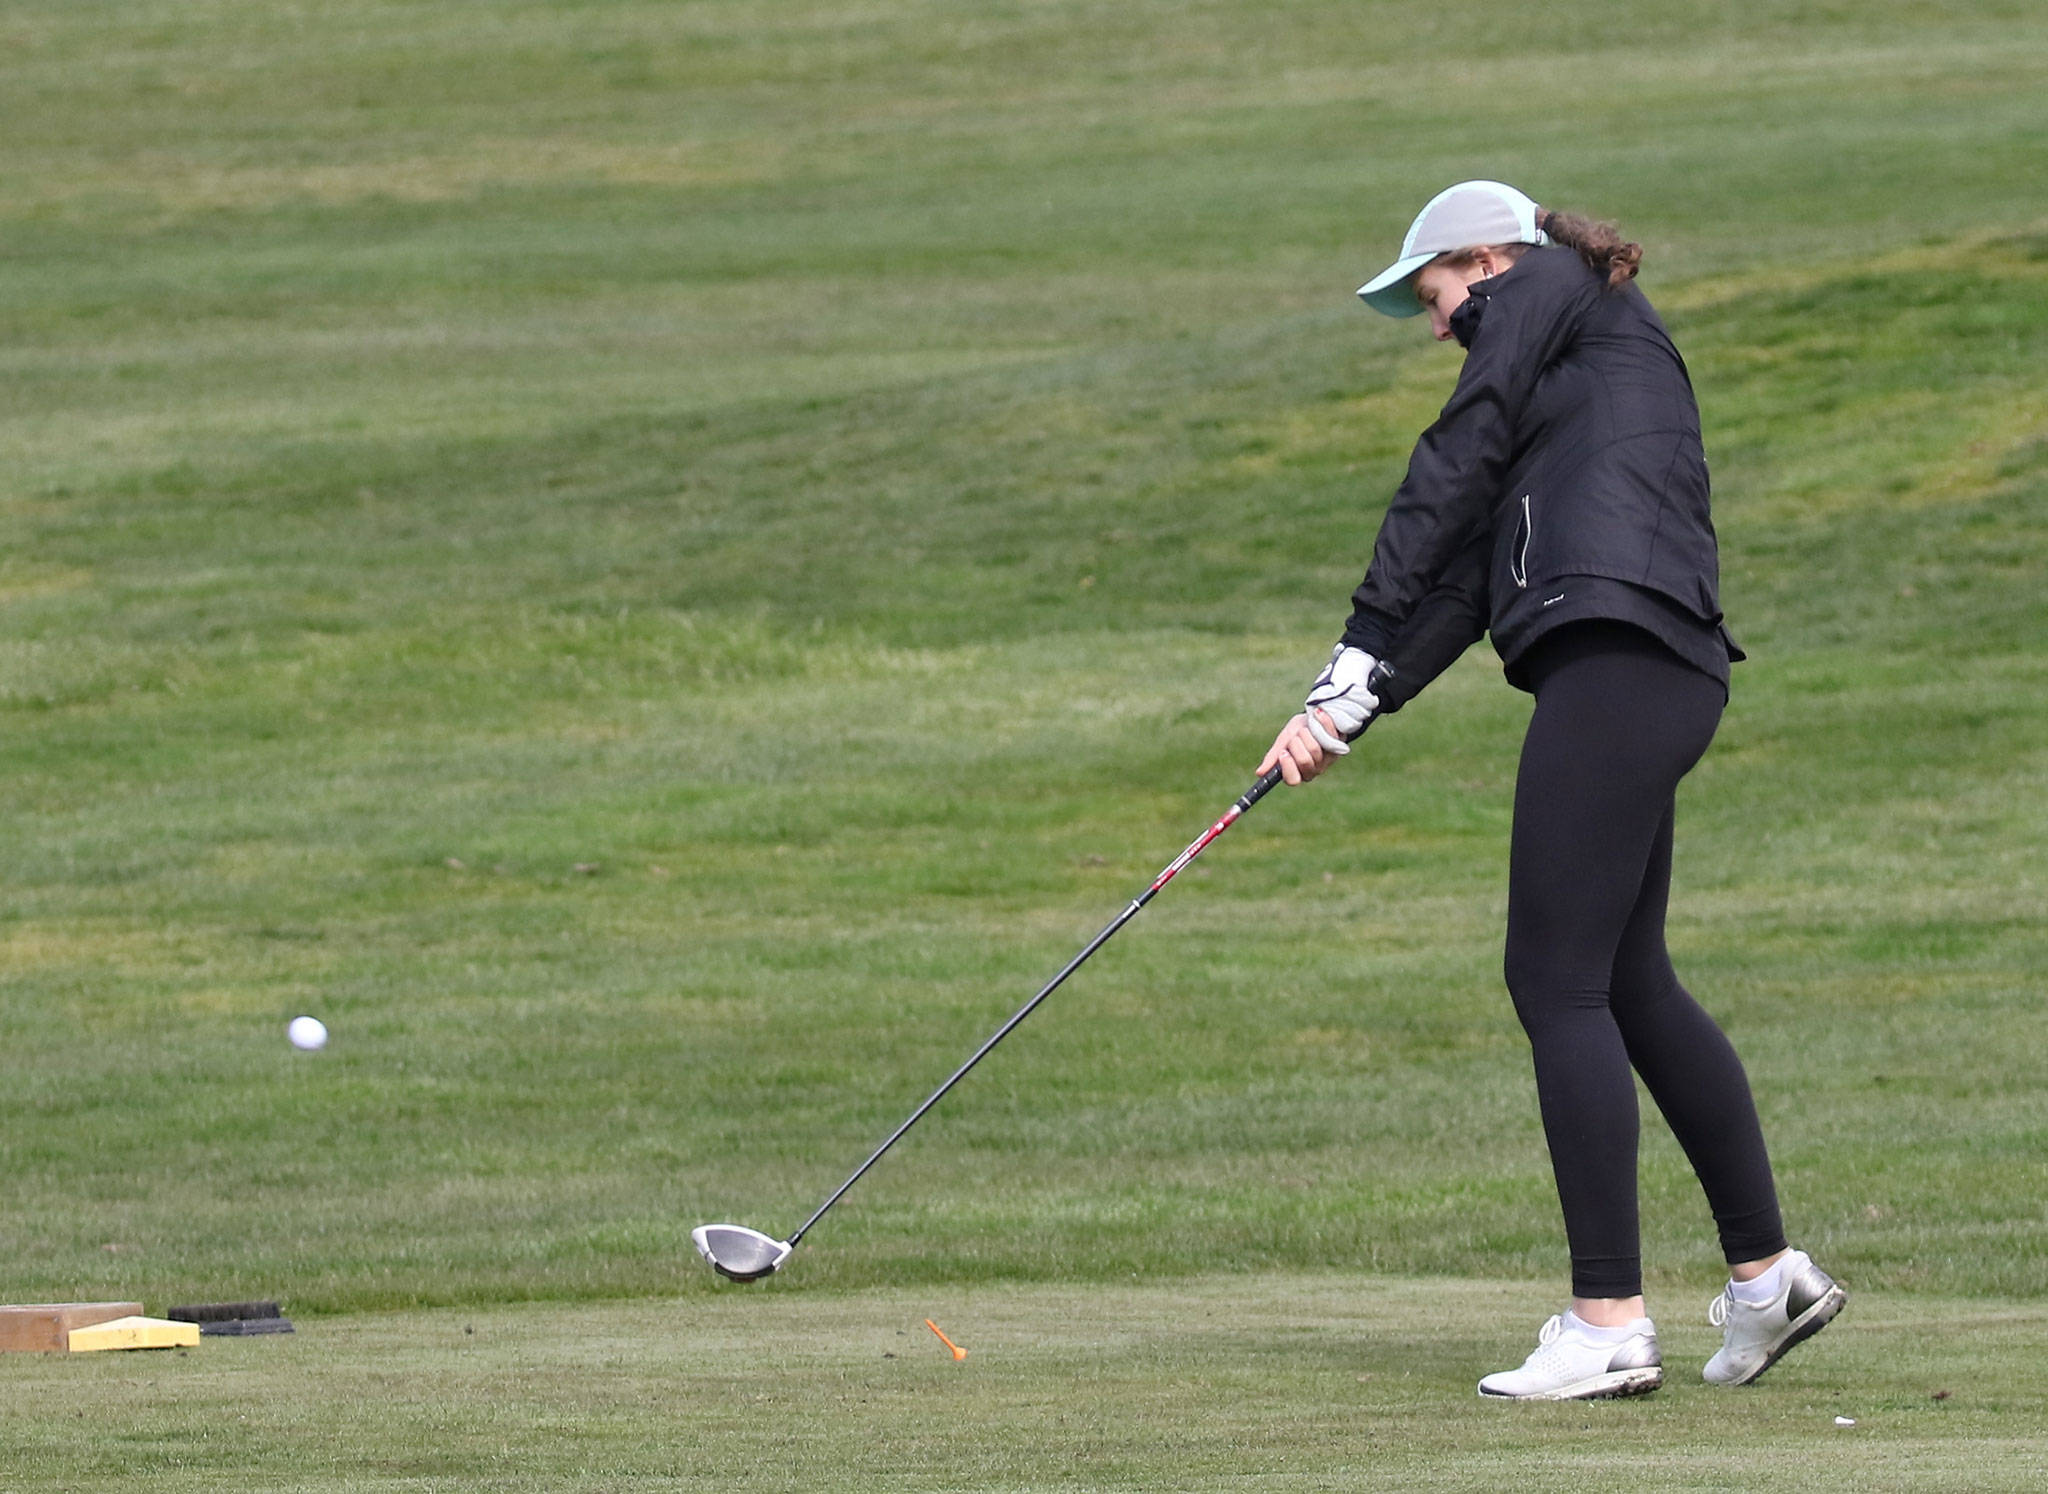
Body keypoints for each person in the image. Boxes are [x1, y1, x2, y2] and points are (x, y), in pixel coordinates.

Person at [1257, 181, 1845, 1400]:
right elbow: (1469, 576)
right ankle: (1764, 1277)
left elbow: (1451, 453)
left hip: (1619, 656)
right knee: (1625, 979)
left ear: (1487, 262)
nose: (1437, 330)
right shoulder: (1564, 364)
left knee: (1552, 978)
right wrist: (1347, 709)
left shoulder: (1547, 289)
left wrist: (1354, 642)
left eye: (1435, 299)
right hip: (1642, 660)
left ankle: (1605, 1320)